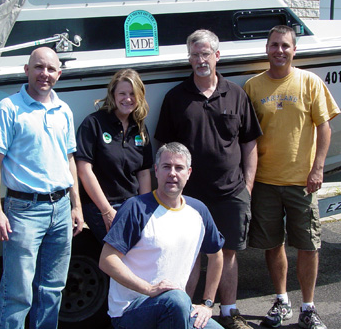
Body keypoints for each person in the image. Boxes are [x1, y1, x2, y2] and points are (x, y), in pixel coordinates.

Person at [155, 29, 262, 329]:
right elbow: (165, 148)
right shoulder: (176, 97)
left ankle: (229, 312)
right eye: (194, 55)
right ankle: (185, 313)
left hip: (231, 192)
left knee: (227, 254)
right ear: (188, 59)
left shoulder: (236, 94)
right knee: (190, 255)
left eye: (205, 54)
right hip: (190, 197)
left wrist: (248, 186)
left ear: (217, 56)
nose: (200, 60)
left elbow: (250, 143)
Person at [244, 25, 341, 329]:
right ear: (266, 49)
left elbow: (324, 127)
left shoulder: (309, 82)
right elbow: (245, 136)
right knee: (273, 245)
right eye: (274, 45)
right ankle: (281, 300)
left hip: (302, 182)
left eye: (285, 45)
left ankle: (309, 307)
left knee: (308, 246)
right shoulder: (252, 87)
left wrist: (318, 167)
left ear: (294, 50)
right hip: (266, 183)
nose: (279, 51)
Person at [0, 47, 84, 329]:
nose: (45, 74)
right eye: (39, 67)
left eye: (51, 69)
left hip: (61, 208)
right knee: (18, 293)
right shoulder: (8, 108)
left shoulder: (63, 110)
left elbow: (69, 159)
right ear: (26, 70)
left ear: (59, 74)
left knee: (52, 290)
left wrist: (76, 206)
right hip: (23, 211)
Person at [99, 142, 225, 329]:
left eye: (179, 168)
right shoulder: (136, 208)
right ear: (156, 170)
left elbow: (217, 255)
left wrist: (207, 303)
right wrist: (149, 290)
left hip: (177, 308)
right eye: (166, 167)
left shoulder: (198, 210)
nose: (172, 173)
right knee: (176, 300)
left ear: (188, 173)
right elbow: (107, 260)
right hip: (131, 311)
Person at [75, 68, 153, 243]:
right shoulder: (94, 123)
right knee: (121, 256)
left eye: (132, 94)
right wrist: (106, 211)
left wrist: (144, 207)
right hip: (102, 206)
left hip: (133, 204)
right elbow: (84, 170)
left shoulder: (139, 128)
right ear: (113, 95)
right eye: (122, 93)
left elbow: (143, 172)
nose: (127, 99)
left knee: (140, 253)